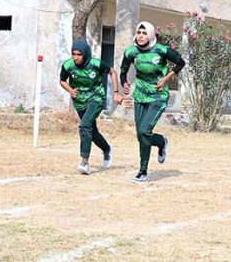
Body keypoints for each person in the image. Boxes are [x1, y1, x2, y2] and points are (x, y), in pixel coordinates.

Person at [120, 21, 185, 183]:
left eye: (144, 33)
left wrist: (166, 78)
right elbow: (123, 71)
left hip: (158, 96)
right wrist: (125, 84)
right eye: (138, 33)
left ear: (150, 35)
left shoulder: (161, 50)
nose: (141, 36)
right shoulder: (131, 52)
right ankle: (161, 142)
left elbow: (180, 62)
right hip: (140, 95)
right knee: (141, 135)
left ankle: (143, 171)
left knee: (144, 131)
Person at [60, 39, 122, 175]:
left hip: (96, 98)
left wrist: (116, 93)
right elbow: (62, 80)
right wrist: (70, 90)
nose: (76, 57)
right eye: (73, 54)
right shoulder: (68, 66)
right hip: (80, 101)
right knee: (91, 132)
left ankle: (84, 162)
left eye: (79, 54)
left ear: (85, 54)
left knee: (84, 125)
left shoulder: (95, 64)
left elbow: (112, 72)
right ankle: (106, 149)